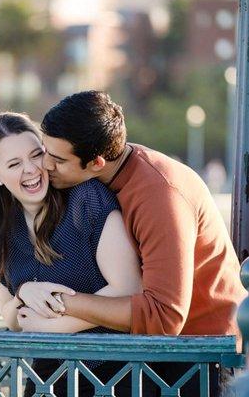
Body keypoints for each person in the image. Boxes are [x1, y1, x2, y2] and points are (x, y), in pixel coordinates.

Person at [16, 91, 247, 396]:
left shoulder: (160, 195)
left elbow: (164, 317)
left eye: (58, 159)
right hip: (152, 358)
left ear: (97, 162)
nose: (45, 165)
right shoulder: (98, 181)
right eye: (45, 151)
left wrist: (59, 304)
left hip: (200, 363)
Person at [0, 112, 143, 396]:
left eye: (36, 155)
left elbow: (130, 288)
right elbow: (12, 317)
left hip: (114, 372)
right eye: (14, 164)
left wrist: (57, 326)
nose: (31, 169)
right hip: (46, 381)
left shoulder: (87, 200)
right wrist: (25, 292)